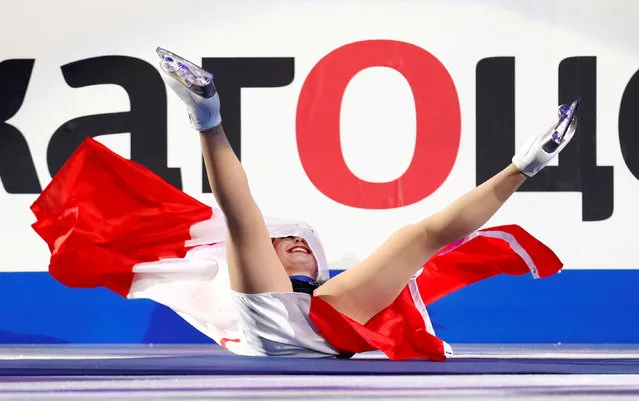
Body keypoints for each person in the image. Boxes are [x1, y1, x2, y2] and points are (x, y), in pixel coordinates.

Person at [30, 47, 575, 360]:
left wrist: (529, 165)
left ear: (321, 263)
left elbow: (435, 235)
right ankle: (206, 113)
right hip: (269, 327)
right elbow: (242, 216)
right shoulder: (232, 281)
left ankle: (525, 167)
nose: (295, 243)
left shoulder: (339, 296)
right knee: (245, 219)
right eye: (283, 241)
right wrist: (208, 122)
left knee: (417, 237)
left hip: (324, 321)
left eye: (304, 245)